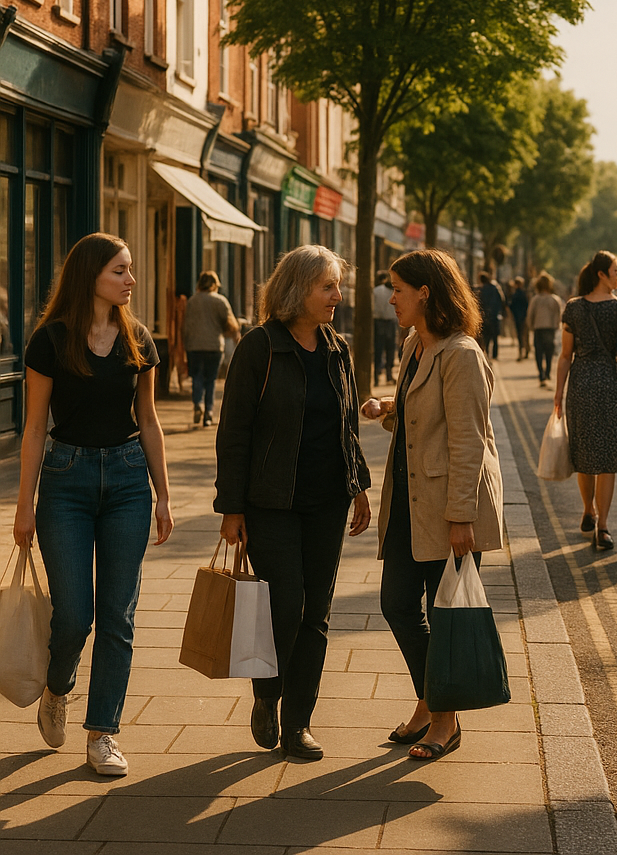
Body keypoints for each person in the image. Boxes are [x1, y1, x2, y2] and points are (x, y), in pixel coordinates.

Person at [14, 233, 172, 777]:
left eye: (130, 270)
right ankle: (58, 688)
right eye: (120, 271)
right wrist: (23, 504)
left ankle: (103, 731)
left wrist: (164, 495)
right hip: (66, 481)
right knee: (74, 616)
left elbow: (149, 421)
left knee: (118, 615)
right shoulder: (50, 342)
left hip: (129, 480)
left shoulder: (140, 340)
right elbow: (35, 427)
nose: (131, 280)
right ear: (91, 277)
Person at [215, 245, 372, 760]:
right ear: (297, 288)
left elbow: (347, 424)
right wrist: (231, 508)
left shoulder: (338, 348)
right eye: (327, 286)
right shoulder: (259, 347)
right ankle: (266, 693)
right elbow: (234, 431)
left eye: (337, 286)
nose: (337, 295)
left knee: (317, 613)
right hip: (270, 502)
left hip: (326, 500)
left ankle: (298, 722)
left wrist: (359, 486)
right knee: (285, 606)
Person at [362, 249, 503, 761]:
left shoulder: (462, 353)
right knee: (397, 604)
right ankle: (429, 700)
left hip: (449, 503)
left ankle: (445, 721)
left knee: (440, 612)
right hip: (408, 497)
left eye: (398, 288)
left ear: (426, 292)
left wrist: (462, 515)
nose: (391, 297)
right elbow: (424, 411)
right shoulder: (413, 346)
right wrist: (389, 406)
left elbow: (468, 438)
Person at [554, 251, 617, 551]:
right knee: (609, 458)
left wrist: (558, 393)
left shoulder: (573, 308)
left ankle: (588, 511)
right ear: (602, 274)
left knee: (585, 454)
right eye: (616, 270)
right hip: (610, 383)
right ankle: (602, 527)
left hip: (580, 384)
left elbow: (566, 355)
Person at [182, 270, 239, 427]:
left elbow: (186, 326)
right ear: (215, 285)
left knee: (197, 377)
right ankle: (208, 413)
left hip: (194, 345)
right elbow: (231, 324)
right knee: (211, 380)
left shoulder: (192, 301)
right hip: (214, 346)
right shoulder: (220, 301)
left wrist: (185, 345)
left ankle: (197, 403)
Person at [526, 273, 564, 387]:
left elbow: (530, 315)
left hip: (538, 328)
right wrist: (557, 325)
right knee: (549, 352)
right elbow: (559, 314)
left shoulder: (535, 299)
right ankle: (547, 372)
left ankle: (541, 375)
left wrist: (531, 326)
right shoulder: (555, 299)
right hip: (550, 329)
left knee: (538, 352)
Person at [373, 269, 398, 385]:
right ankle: (388, 375)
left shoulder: (376, 291)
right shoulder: (394, 292)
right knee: (390, 349)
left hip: (379, 322)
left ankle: (377, 377)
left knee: (379, 349)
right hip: (389, 322)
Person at [475, 271, 505, 360]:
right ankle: (495, 355)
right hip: (495, 316)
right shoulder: (495, 288)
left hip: (484, 317)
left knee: (486, 337)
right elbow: (502, 300)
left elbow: (479, 304)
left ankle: (486, 353)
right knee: (495, 337)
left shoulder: (481, 290)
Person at [508, 277, 530, 360]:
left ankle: (521, 352)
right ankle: (527, 350)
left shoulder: (514, 295)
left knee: (520, 336)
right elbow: (527, 305)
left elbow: (511, 306)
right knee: (525, 335)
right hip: (524, 317)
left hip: (517, 317)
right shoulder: (525, 294)